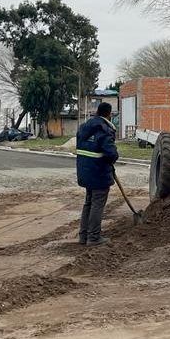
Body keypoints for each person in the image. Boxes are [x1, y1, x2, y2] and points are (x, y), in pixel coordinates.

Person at [75, 101, 119, 246]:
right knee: (97, 205)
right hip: (99, 173)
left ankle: (83, 236)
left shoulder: (84, 127)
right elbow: (111, 153)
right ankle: (93, 237)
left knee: (88, 203)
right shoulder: (104, 129)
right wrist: (112, 158)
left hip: (86, 172)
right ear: (108, 114)